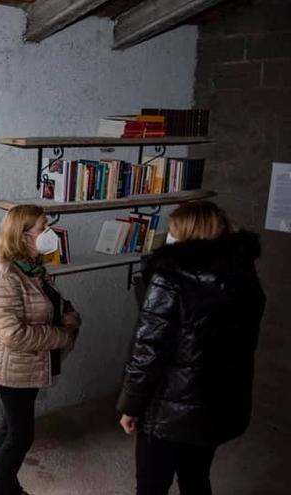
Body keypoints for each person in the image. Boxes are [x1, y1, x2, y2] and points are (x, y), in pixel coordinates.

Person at [118, 201, 265, 495]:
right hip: (216, 403)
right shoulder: (242, 275)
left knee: (151, 485)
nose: (167, 237)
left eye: (172, 230)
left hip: (168, 408)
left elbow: (147, 350)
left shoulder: (170, 277)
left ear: (187, 232)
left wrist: (130, 406)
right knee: (196, 478)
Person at [0, 204, 81, 495]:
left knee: (11, 430)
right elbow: (15, 335)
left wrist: (67, 313)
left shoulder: (33, 269)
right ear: (23, 236)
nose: (49, 233)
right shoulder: (5, 277)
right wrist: (62, 335)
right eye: (42, 228)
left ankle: (0, 487)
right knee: (21, 436)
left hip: (28, 365)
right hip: (12, 368)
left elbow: (48, 302)